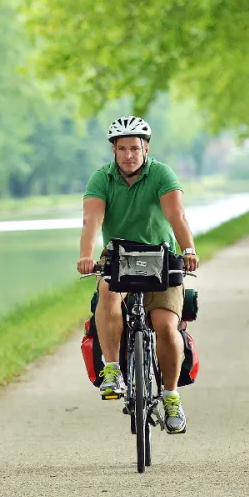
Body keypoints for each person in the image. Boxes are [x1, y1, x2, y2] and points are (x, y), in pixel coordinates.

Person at [75, 116, 199, 434]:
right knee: (107, 292)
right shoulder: (101, 178)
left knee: (165, 324)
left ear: (146, 149)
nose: (129, 155)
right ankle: (113, 370)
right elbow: (92, 220)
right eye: (122, 149)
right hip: (118, 255)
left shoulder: (161, 174)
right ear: (113, 151)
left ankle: (171, 397)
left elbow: (176, 215)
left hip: (160, 255)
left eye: (135, 148)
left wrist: (188, 251)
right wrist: (86, 256)